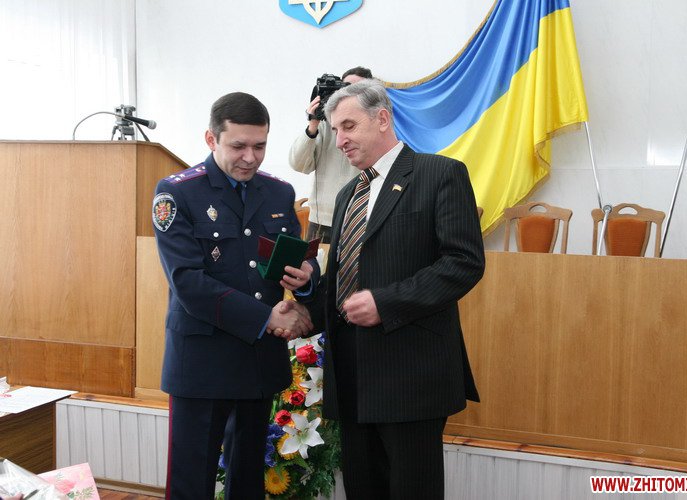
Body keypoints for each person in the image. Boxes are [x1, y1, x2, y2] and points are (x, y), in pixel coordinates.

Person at [310, 79, 485, 499]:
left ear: (382, 119)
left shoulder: (440, 174)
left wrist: (386, 303)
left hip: (410, 377)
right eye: (335, 130)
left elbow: (463, 263)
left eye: (348, 126)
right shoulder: (348, 193)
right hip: (351, 374)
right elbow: (343, 280)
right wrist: (304, 301)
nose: (340, 140)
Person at [152, 91, 317, 500]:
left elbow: (294, 259)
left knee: (248, 482)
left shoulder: (278, 192)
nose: (250, 157)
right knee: (192, 483)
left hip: (258, 362)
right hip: (202, 362)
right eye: (238, 146)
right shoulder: (178, 192)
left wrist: (305, 278)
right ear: (211, 139)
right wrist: (267, 318)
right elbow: (188, 282)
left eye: (260, 146)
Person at [288, 66, 373, 243]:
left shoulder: (374, 125)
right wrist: (313, 124)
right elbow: (298, 164)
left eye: (358, 91)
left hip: (359, 219)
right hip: (322, 221)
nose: (350, 95)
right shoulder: (324, 125)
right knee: (317, 262)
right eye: (346, 88)